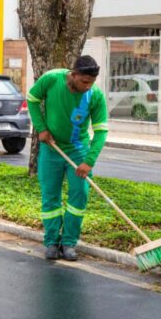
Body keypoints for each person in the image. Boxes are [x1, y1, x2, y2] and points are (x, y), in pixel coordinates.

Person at [27, 55, 109, 261]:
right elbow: (32, 99)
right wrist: (41, 128)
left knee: (79, 195)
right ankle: (52, 242)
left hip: (78, 150)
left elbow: (101, 132)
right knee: (50, 195)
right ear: (73, 75)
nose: (88, 86)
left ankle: (69, 242)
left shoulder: (95, 96)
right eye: (84, 82)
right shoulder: (51, 79)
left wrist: (88, 161)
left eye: (91, 82)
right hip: (51, 148)